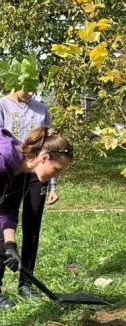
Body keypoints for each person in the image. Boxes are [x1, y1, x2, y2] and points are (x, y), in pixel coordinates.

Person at [0, 126, 73, 309]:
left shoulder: (23, 172)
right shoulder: (3, 160)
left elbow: (7, 209)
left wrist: (10, 244)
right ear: (45, 158)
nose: (56, 176)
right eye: (57, 169)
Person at [0, 88, 58, 304]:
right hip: (14, 166)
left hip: (30, 169)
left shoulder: (41, 109)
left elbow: (6, 210)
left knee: (29, 225)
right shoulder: (3, 105)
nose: (31, 92)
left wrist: (9, 245)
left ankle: (26, 283)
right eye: (27, 87)